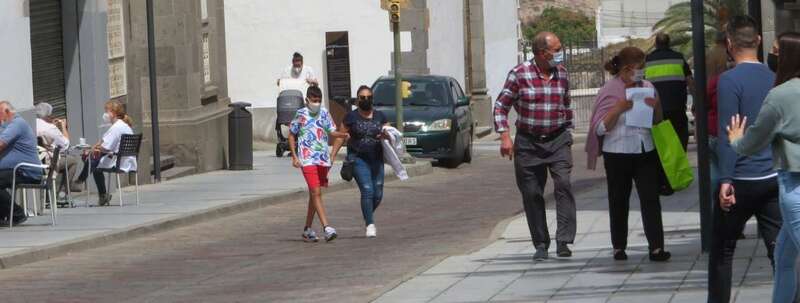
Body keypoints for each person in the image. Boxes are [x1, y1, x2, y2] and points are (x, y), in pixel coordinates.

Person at [708, 16, 783, 303]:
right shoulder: (774, 77)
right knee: (778, 251)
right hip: (772, 176)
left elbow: (729, 132)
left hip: (741, 178)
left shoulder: (729, 81)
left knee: (723, 251)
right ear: (759, 41)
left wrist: (725, 179)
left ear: (729, 43)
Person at [725, 32, 800, 303]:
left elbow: (754, 140)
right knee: (783, 257)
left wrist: (736, 140)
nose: (771, 55)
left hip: (794, 186)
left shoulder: (779, 96)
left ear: (787, 57)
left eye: (776, 51)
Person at [494, 31, 577, 260]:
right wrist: (505, 136)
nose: (561, 53)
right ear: (542, 53)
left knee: (563, 185)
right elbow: (501, 106)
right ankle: (541, 244)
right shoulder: (519, 74)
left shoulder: (562, 73)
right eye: (557, 50)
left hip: (558, 140)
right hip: (528, 143)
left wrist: (568, 130)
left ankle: (564, 240)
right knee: (532, 193)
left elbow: (566, 103)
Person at [586, 47, 671, 262]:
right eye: (638, 69)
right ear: (625, 69)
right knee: (618, 199)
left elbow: (658, 120)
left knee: (650, 199)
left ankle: (656, 247)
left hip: (644, 149)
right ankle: (619, 246)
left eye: (643, 69)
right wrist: (618, 109)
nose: (642, 73)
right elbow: (599, 128)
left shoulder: (648, 87)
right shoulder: (609, 90)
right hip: (617, 151)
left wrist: (656, 106)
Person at [289, 86, 348, 243]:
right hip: (306, 159)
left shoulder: (324, 113)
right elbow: (292, 134)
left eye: (319, 100)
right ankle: (327, 227)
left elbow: (332, 131)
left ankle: (307, 229)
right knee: (316, 192)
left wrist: (343, 135)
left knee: (314, 194)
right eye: (314, 100)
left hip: (322, 158)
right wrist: (294, 156)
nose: (316, 103)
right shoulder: (301, 114)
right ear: (307, 100)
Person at [332, 86, 389, 238]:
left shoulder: (380, 116)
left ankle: (367, 214)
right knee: (367, 190)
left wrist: (387, 135)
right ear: (357, 100)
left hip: (376, 159)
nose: (365, 100)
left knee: (378, 193)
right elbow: (340, 136)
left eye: (368, 97)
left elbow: (390, 133)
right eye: (362, 97)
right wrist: (332, 156)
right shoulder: (351, 117)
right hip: (358, 158)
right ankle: (370, 224)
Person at [74, 99, 136, 206]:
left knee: (93, 162)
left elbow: (105, 147)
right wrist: (93, 150)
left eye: (107, 111)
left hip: (118, 161)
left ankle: (80, 181)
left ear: (113, 113)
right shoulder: (123, 125)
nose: (105, 114)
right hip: (127, 160)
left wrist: (92, 151)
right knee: (94, 160)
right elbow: (103, 142)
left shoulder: (116, 127)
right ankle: (99, 193)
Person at [645, 33, 694, 150]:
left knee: (660, 146)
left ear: (656, 44)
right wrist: (696, 101)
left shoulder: (648, 60)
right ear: (669, 43)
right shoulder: (678, 58)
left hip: (656, 110)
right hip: (677, 108)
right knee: (679, 142)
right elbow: (690, 82)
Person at [0, 101, 43, 225]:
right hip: (16, 170)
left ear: (7, 112)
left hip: (26, 171)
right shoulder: (8, 126)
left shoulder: (17, 124)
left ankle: (17, 214)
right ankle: (3, 216)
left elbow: (1, 144)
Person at [35, 102, 81, 195]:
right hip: (48, 162)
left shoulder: (32, 123)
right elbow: (66, 145)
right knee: (73, 161)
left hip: (35, 161)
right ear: (48, 114)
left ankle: (62, 188)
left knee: (64, 158)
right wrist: (63, 127)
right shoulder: (50, 128)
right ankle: (63, 191)